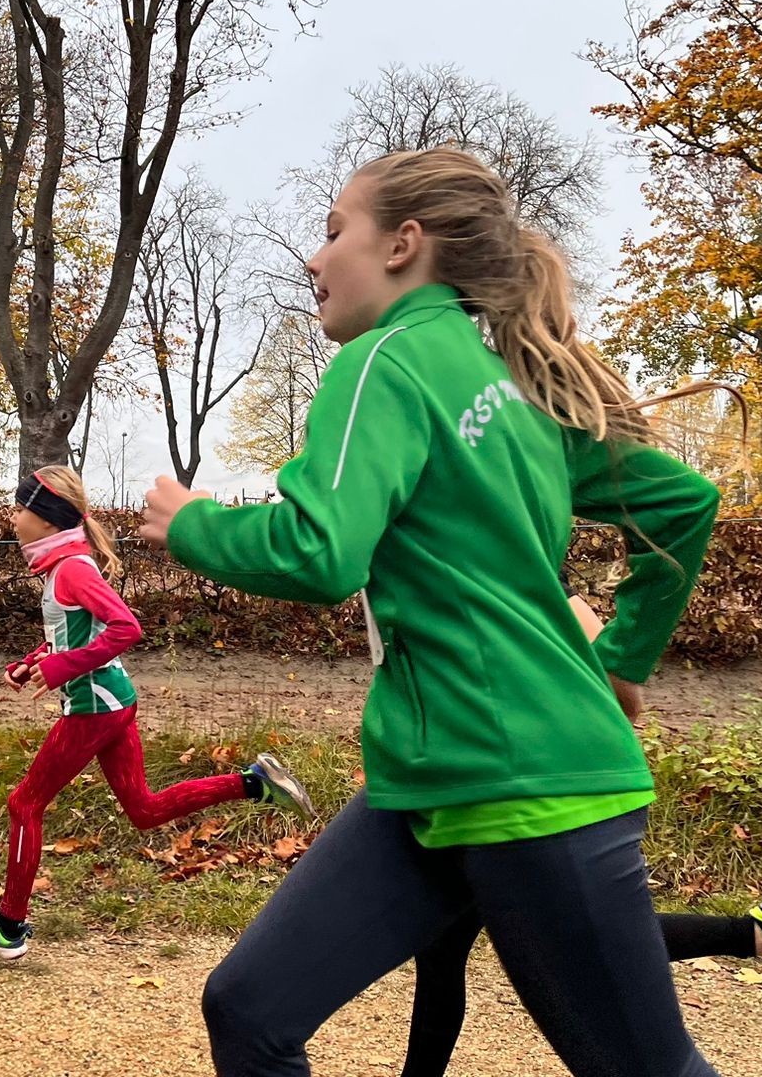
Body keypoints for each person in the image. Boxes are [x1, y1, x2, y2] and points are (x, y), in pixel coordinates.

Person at [140, 145, 725, 1076]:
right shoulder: (513, 390)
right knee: (249, 1007)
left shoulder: (388, 361)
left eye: (335, 231)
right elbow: (684, 503)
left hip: (532, 792)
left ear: (404, 244)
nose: (313, 259)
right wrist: (622, 657)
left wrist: (194, 526)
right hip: (428, 781)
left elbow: (320, 550)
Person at [398, 591, 762, 1077]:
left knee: (549, 946)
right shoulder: (476, 580)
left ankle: (760, 933)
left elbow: (625, 703)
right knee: (455, 950)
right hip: (483, 791)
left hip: (533, 798)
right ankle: (761, 932)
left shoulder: (537, 591)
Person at [0, 466, 315, 961]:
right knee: (144, 810)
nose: (12, 518)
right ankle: (254, 783)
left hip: (95, 707)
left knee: (24, 805)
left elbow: (125, 628)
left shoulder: (72, 568)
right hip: (110, 701)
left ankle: (8, 926)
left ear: (47, 520)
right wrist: (33, 663)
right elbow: (74, 637)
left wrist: (59, 669)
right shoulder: (61, 565)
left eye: (19, 508)